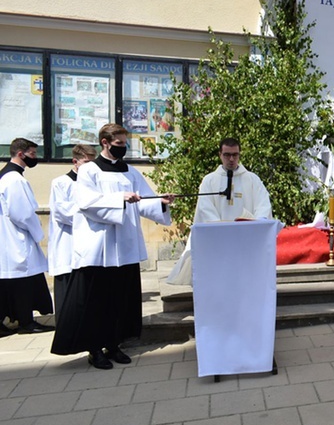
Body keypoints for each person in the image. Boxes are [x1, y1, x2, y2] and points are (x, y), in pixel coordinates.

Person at [51, 124, 175, 369]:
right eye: (118, 144)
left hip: (125, 246)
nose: (123, 148)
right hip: (99, 247)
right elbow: (86, 203)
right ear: (105, 143)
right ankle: (94, 349)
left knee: (120, 299)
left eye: (124, 144)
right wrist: (120, 198)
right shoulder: (89, 170)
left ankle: (114, 344)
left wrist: (160, 202)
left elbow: (144, 200)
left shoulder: (130, 171)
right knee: (96, 301)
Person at [166, 137, 273, 285]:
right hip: (218, 241)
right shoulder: (209, 180)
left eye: (235, 155)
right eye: (227, 155)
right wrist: (223, 229)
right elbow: (205, 209)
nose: (231, 159)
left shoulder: (252, 179)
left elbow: (263, 205)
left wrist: (257, 222)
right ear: (220, 155)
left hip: (246, 240)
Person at [0, 138, 54, 336]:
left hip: (7, 239)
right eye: (33, 154)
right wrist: (38, 231)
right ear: (21, 154)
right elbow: (22, 213)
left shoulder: (4, 176)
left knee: (9, 283)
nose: (35, 158)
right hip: (17, 239)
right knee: (23, 283)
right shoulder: (15, 180)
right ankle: (26, 322)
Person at [48, 144, 97, 321]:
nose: (91, 167)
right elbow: (63, 212)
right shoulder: (61, 183)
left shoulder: (95, 183)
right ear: (75, 162)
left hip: (89, 243)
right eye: (86, 162)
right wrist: (91, 212)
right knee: (67, 291)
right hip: (68, 242)